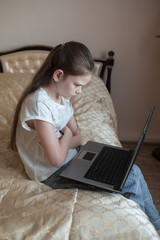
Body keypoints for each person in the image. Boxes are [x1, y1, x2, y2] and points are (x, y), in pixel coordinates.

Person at [10, 41, 160, 235]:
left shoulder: (62, 96)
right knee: (129, 179)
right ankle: (153, 228)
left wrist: (65, 137)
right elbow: (56, 159)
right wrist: (68, 134)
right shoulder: (40, 104)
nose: (79, 91)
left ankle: (156, 224)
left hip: (72, 158)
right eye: (77, 85)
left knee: (129, 167)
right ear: (58, 75)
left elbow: (79, 139)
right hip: (50, 173)